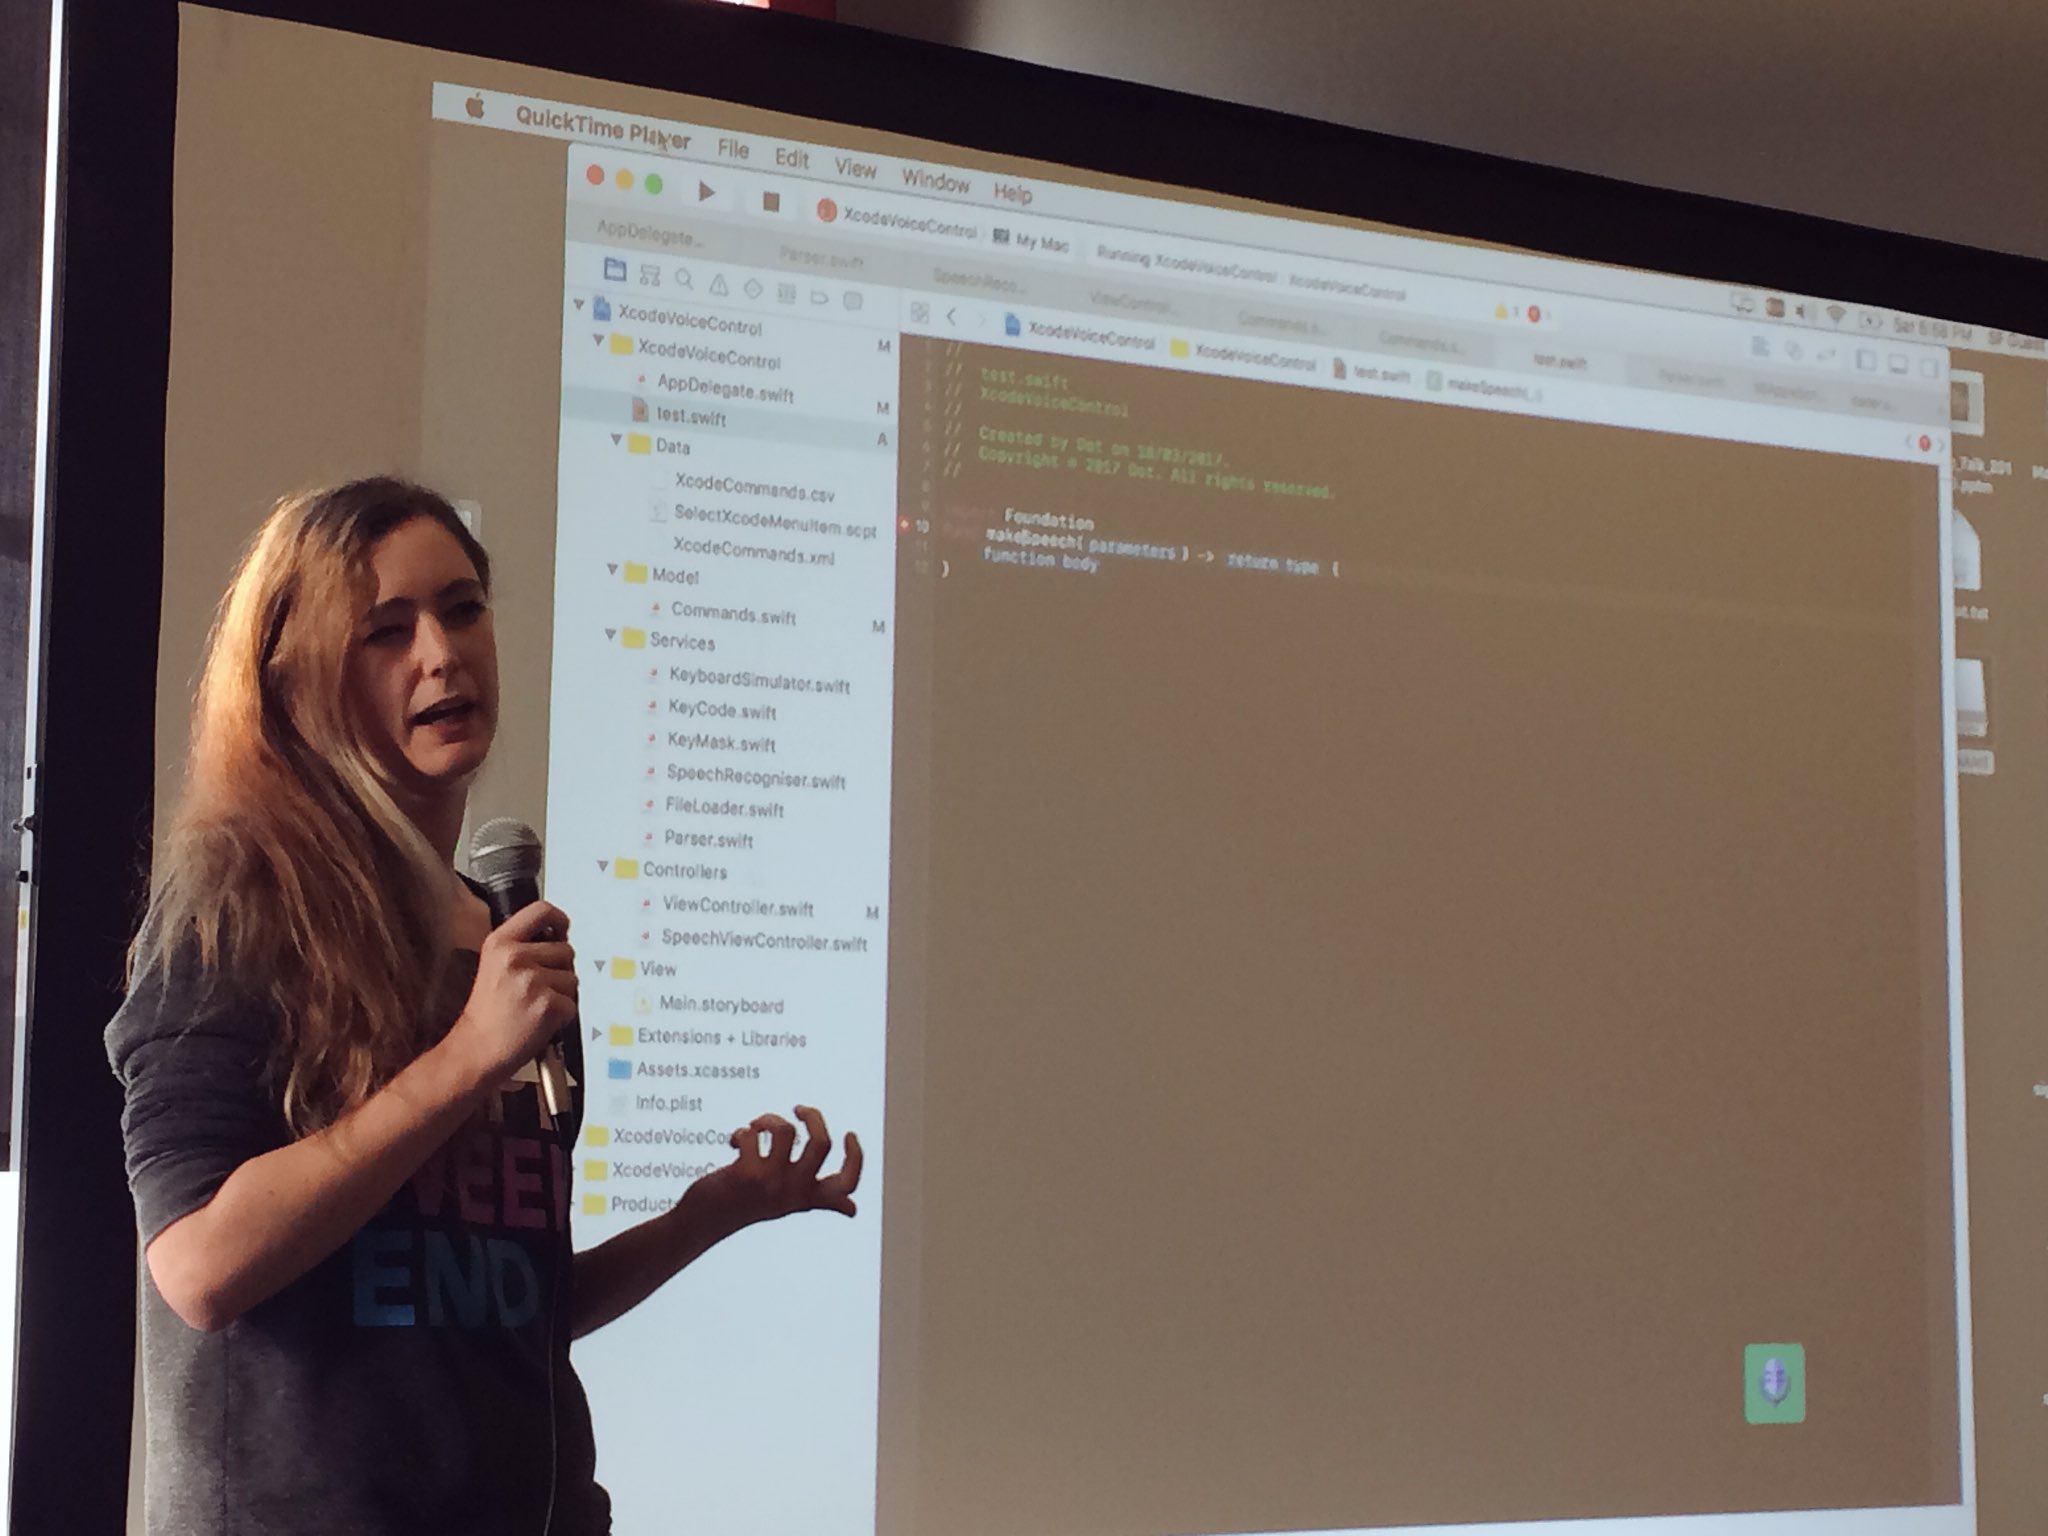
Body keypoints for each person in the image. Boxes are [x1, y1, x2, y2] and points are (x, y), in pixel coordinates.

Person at [105, 477, 862, 1535]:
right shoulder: (234, 911)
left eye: (462, 608)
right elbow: (198, 1266)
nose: (442, 653)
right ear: (295, 682)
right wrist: (465, 1058)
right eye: (385, 630)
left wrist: (707, 1217)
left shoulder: (505, 941)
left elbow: (507, 1303)